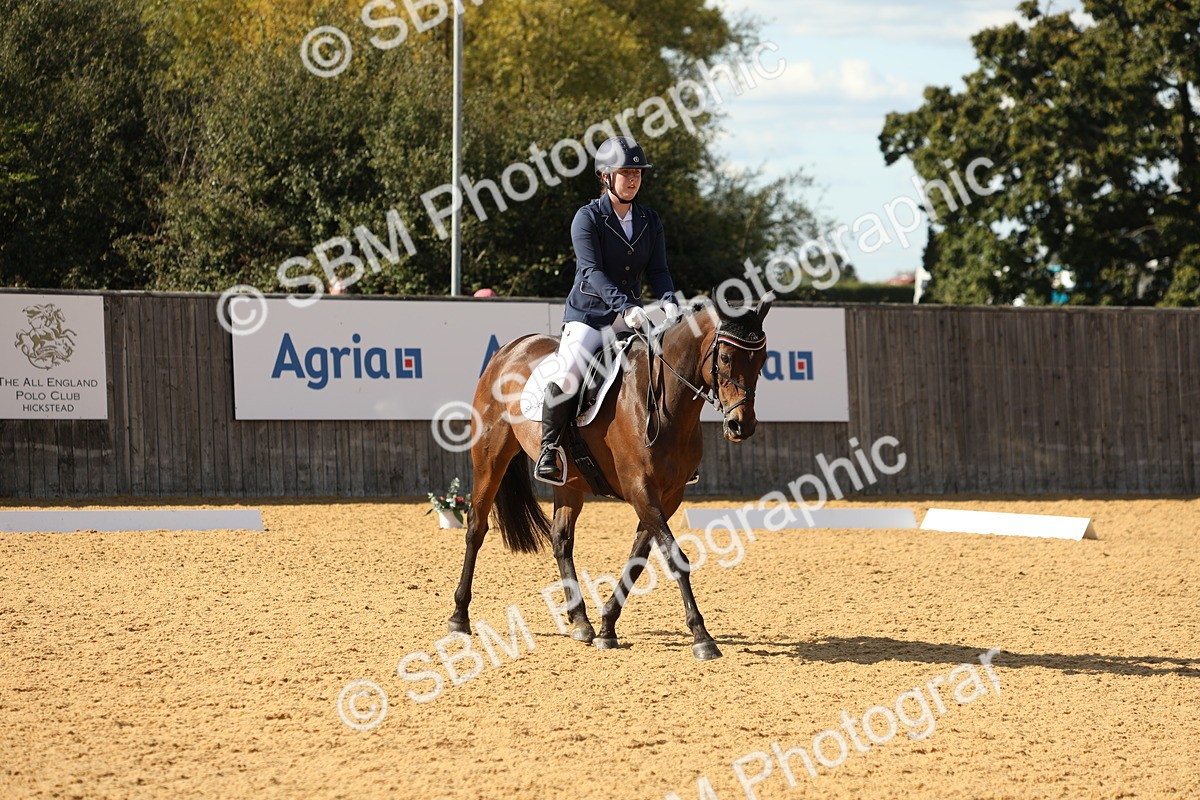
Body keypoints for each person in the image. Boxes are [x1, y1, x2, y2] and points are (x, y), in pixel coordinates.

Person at [535, 136, 680, 483]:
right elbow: (592, 272)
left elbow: (658, 270)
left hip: (632, 316)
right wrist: (626, 306)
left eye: (637, 173)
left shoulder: (650, 219)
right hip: (589, 316)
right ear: (605, 176)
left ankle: (674, 452)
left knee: (667, 366)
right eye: (625, 172)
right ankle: (549, 449)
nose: (632, 179)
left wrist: (670, 302)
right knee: (569, 370)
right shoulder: (587, 218)